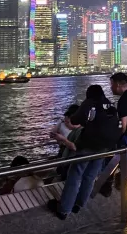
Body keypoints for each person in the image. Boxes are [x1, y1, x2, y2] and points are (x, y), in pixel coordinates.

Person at [50, 84, 122, 220]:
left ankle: (64, 210)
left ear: (89, 94)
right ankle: (79, 204)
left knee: (75, 175)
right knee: (90, 176)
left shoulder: (90, 102)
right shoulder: (110, 105)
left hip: (88, 146)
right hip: (104, 148)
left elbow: (76, 119)